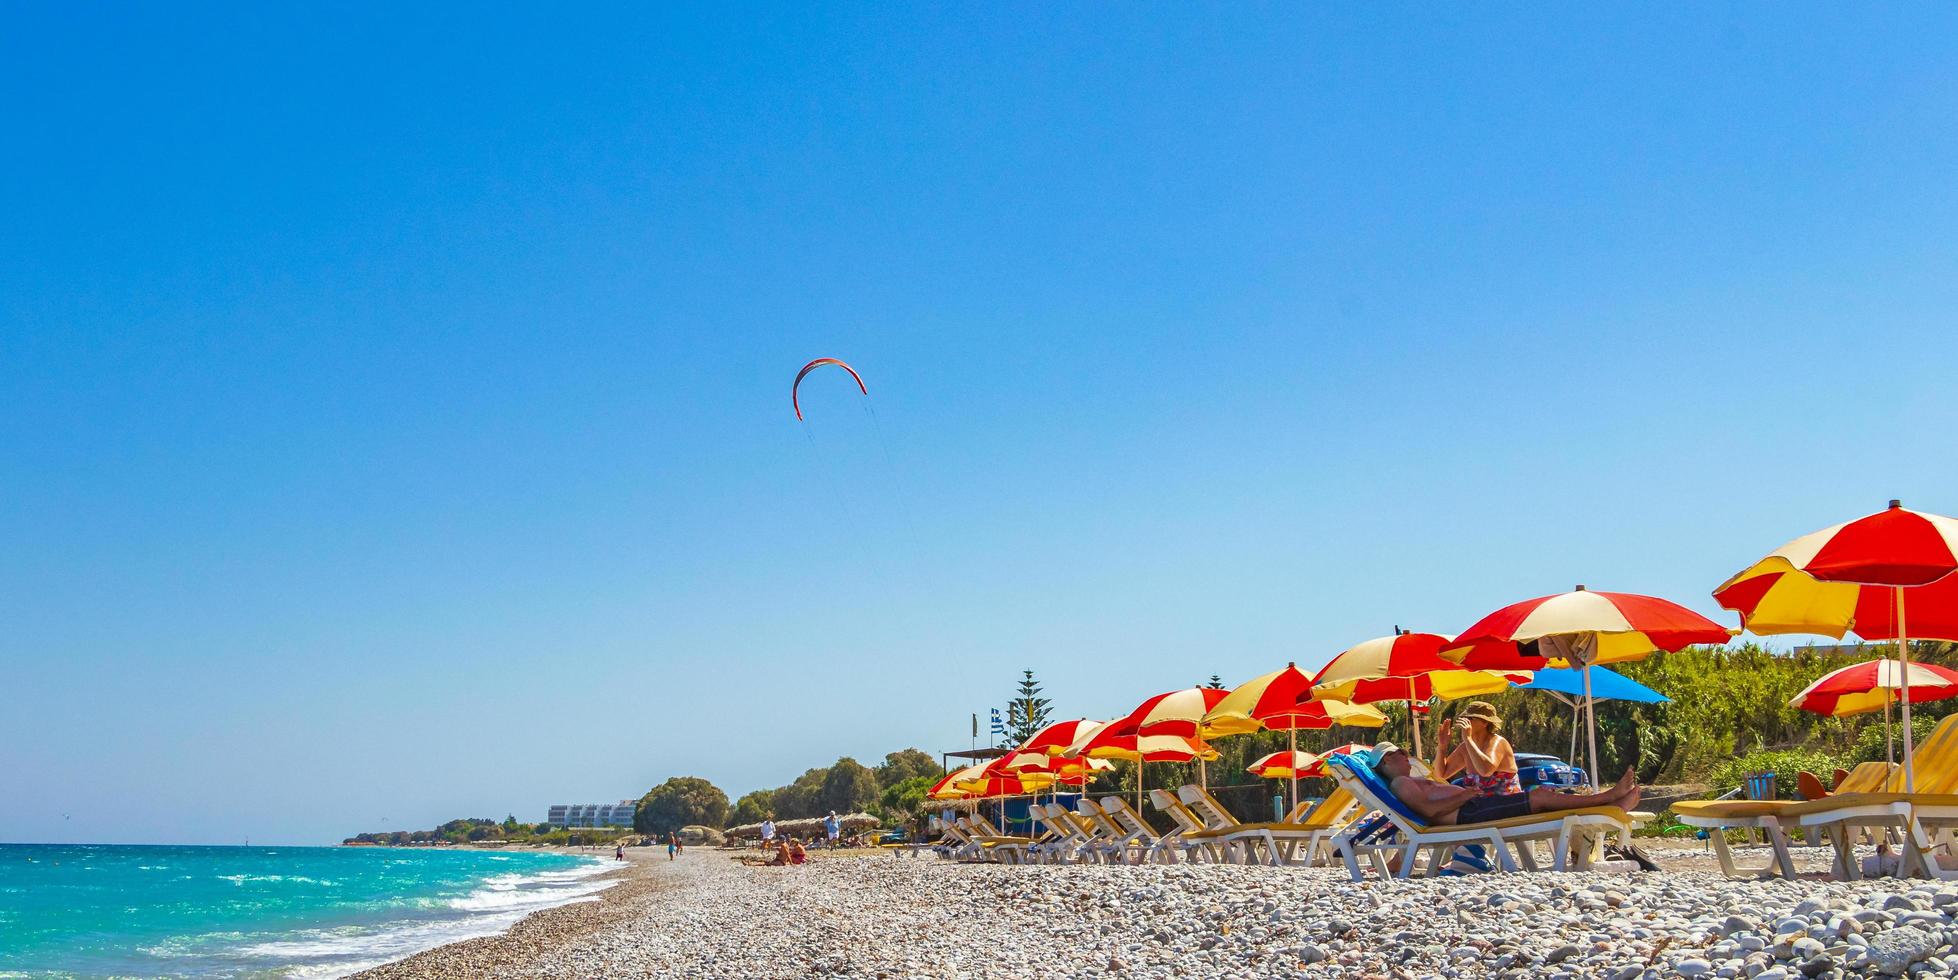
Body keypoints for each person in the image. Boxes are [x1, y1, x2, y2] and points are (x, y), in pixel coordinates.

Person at [1366, 742, 1639, 825]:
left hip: (1471, 806)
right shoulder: (1401, 784)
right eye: (1399, 753)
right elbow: (1426, 810)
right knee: (1540, 798)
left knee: (1541, 801)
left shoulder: (1408, 779)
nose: (1405, 755)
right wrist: (1463, 796)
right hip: (1468, 812)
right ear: (1386, 762)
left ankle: (1610, 805)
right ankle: (1607, 799)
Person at [1434, 701, 1521, 796]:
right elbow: (1440, 776)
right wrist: (1442, 746)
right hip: (1478, 807)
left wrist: (1468, 739)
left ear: (1485, 723)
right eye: (1464, 718)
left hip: (1506, 805)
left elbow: (1486, 771)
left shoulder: (1498, 742)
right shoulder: (1465, 747)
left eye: (1470, 718)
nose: (1465, 721)